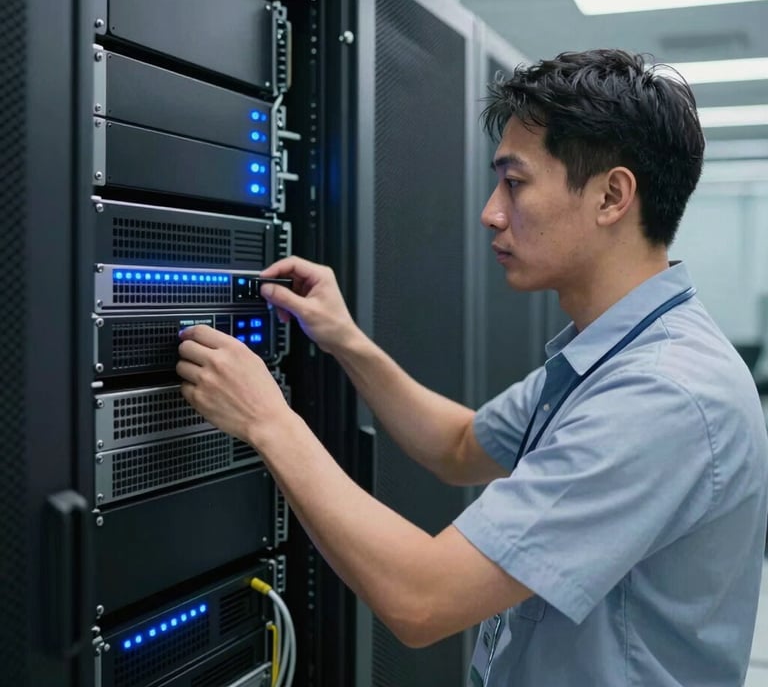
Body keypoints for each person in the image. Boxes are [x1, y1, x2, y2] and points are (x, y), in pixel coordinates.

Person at [177, 49, 768, 686]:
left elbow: (422, 599)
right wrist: (346, 341)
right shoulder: (615, 352)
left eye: (514, 183)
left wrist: (269, 420)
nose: (491, 210)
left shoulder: (661, 394)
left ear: (611, 196)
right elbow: (460, 445)